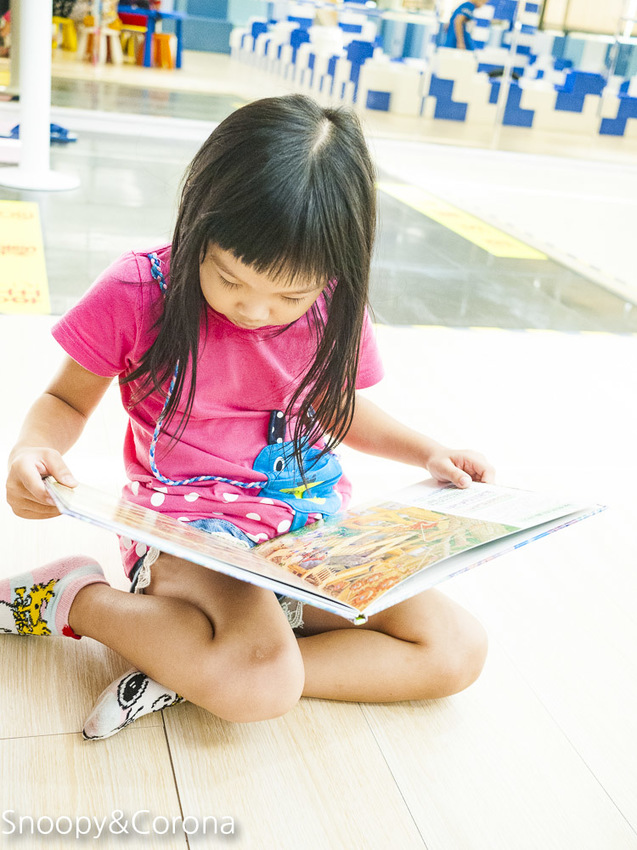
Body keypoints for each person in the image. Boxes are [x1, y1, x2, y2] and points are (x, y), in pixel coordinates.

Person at [5, 95, 493, 741]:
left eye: (289, 295)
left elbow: (335, 408)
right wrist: (30, 451)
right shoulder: (139, 291)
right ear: (198, 227)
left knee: (455, 649)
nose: (256, 311)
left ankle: (191, 665)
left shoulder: (334, 304)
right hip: (190, 533)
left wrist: (426, 451)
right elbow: (66, 400)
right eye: (231, 279)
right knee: (259, 686)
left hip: (307, 532)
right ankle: (75, 597)